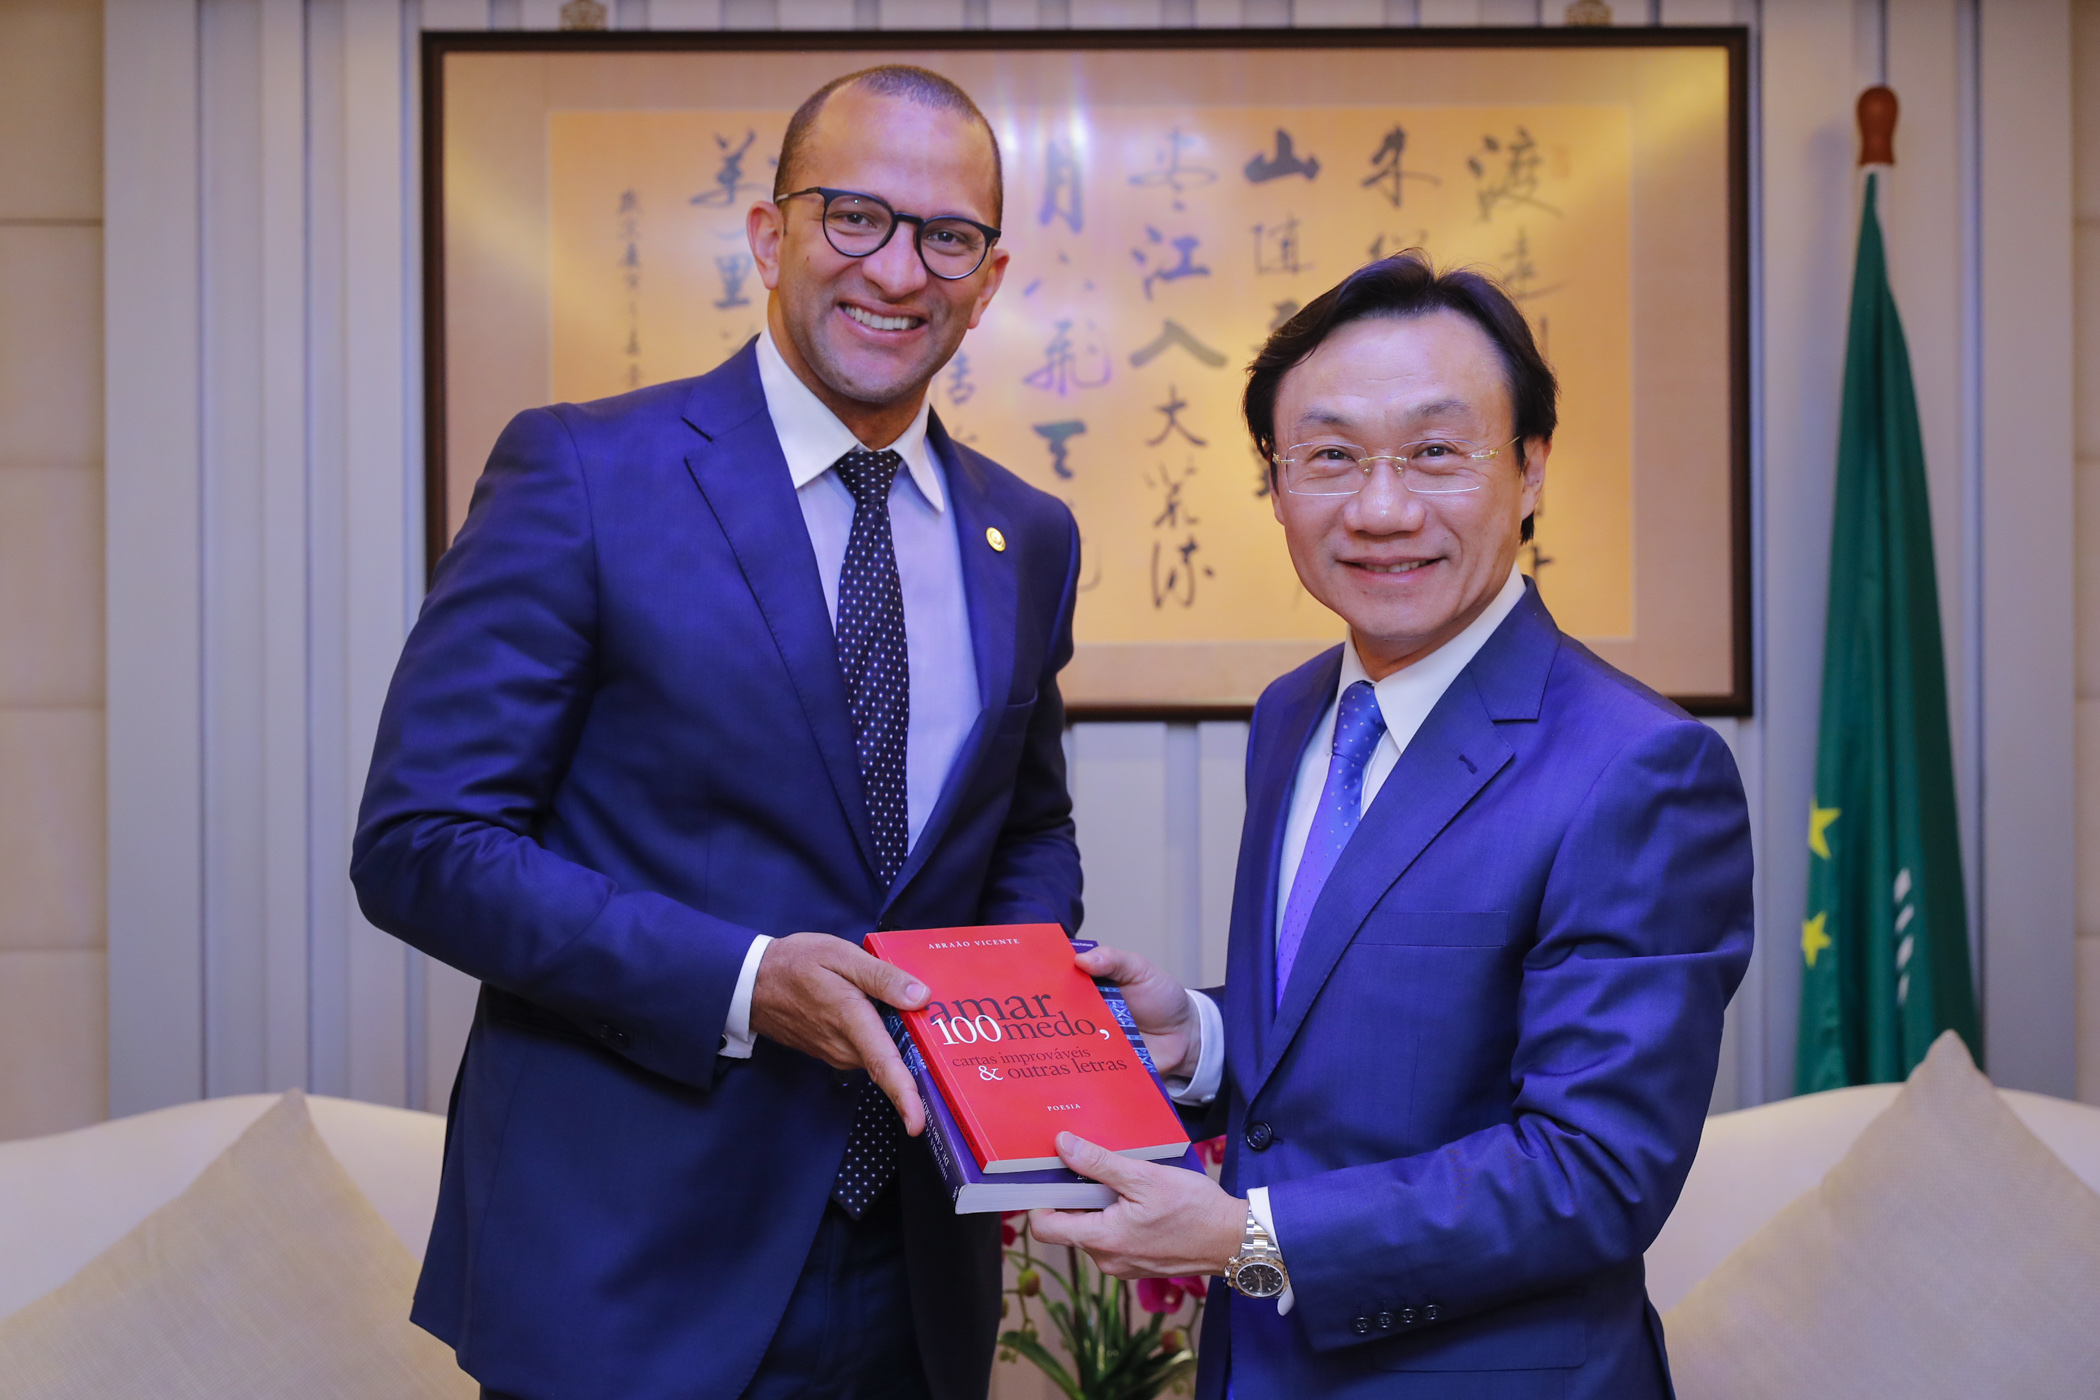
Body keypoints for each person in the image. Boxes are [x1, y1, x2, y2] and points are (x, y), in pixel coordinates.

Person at [352, 66, 1082, 1400]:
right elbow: (423, 843)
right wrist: (745, 981)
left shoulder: (1026, 534)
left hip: (917, 1266)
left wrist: (1015, 1027)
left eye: (946, 236)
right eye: (854, 216)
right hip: (629, 1266)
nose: (898, 269)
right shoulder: (584, 474)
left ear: (988, 279)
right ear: (769, 234)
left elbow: (1026, 825)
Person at [1030, 253, 1754, 1399]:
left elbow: (1594, 1170)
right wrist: (1205, 1036)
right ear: (1275, 487)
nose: (1380, 508)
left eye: (1435, 451)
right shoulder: (1294, 714)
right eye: (1330, 456)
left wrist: (1245, 1238)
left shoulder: (1640, 767)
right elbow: (1368, 1034)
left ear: (1530, 469)